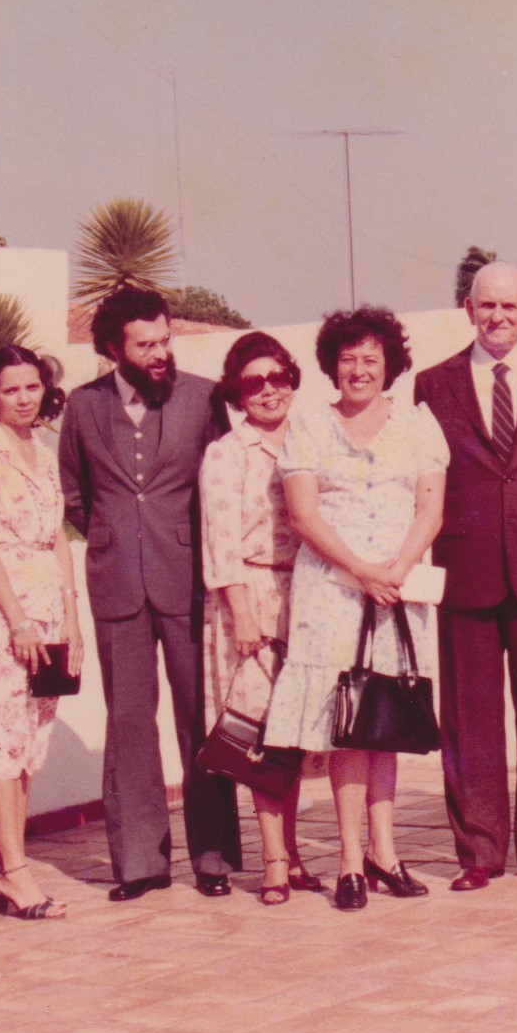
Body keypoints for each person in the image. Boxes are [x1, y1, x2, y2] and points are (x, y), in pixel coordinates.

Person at [60, 286, 241, 901]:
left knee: (201, 721)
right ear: (114, 348)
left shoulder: (202, 397)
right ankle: (140, 862)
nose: (161, 352)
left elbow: (222, 483)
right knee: (130, 722)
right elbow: (75, 495)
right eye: (146, 345)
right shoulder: (83, 408)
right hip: (117, 587)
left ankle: (213, 858)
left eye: (165, 339)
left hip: (189, 581)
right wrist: (116, 538)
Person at [266, 307, 449, 911]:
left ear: (390, 365)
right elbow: (304, 514)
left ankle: (385, 853)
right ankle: (349, 860)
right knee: (347, 724)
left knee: (387, 721)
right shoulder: (311, 428)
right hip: (334, 592)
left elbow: (430, 510)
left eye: (371, 359)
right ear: (332, 366)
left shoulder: (420, 426)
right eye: (348, 359)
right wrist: (361, 570)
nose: (359, 370)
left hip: (397, 591)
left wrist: (394, 569)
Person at [414, 262, 517, 891]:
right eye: (488, 307)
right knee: (470, 716)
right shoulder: (433, 385)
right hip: (466, 565)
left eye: (511, 306)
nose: (499, 317)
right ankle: (479, 851)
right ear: (468, 309)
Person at [0, 345, 81, 921]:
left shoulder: (44, 451)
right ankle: (13, 869)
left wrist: (72, 620)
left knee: (29, 742)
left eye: (32, 388)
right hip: (2, 617)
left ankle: (11, 860)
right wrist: (18, 620)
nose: (24, 399)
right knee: (1, 740)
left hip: (48, 607)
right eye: (12, 390)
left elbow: (57, 538)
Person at [201, 331, 323, 906]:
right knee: (260, 735)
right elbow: (220, 542)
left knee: (294, 734)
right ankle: (273, 858)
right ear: (238, 393)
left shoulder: (312, 438)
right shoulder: (227, 453)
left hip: (308, 595)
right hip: (250, 597)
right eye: (255, 383)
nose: (269, 390)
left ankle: (293, 854)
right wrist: (243, 613)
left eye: (278, 378)